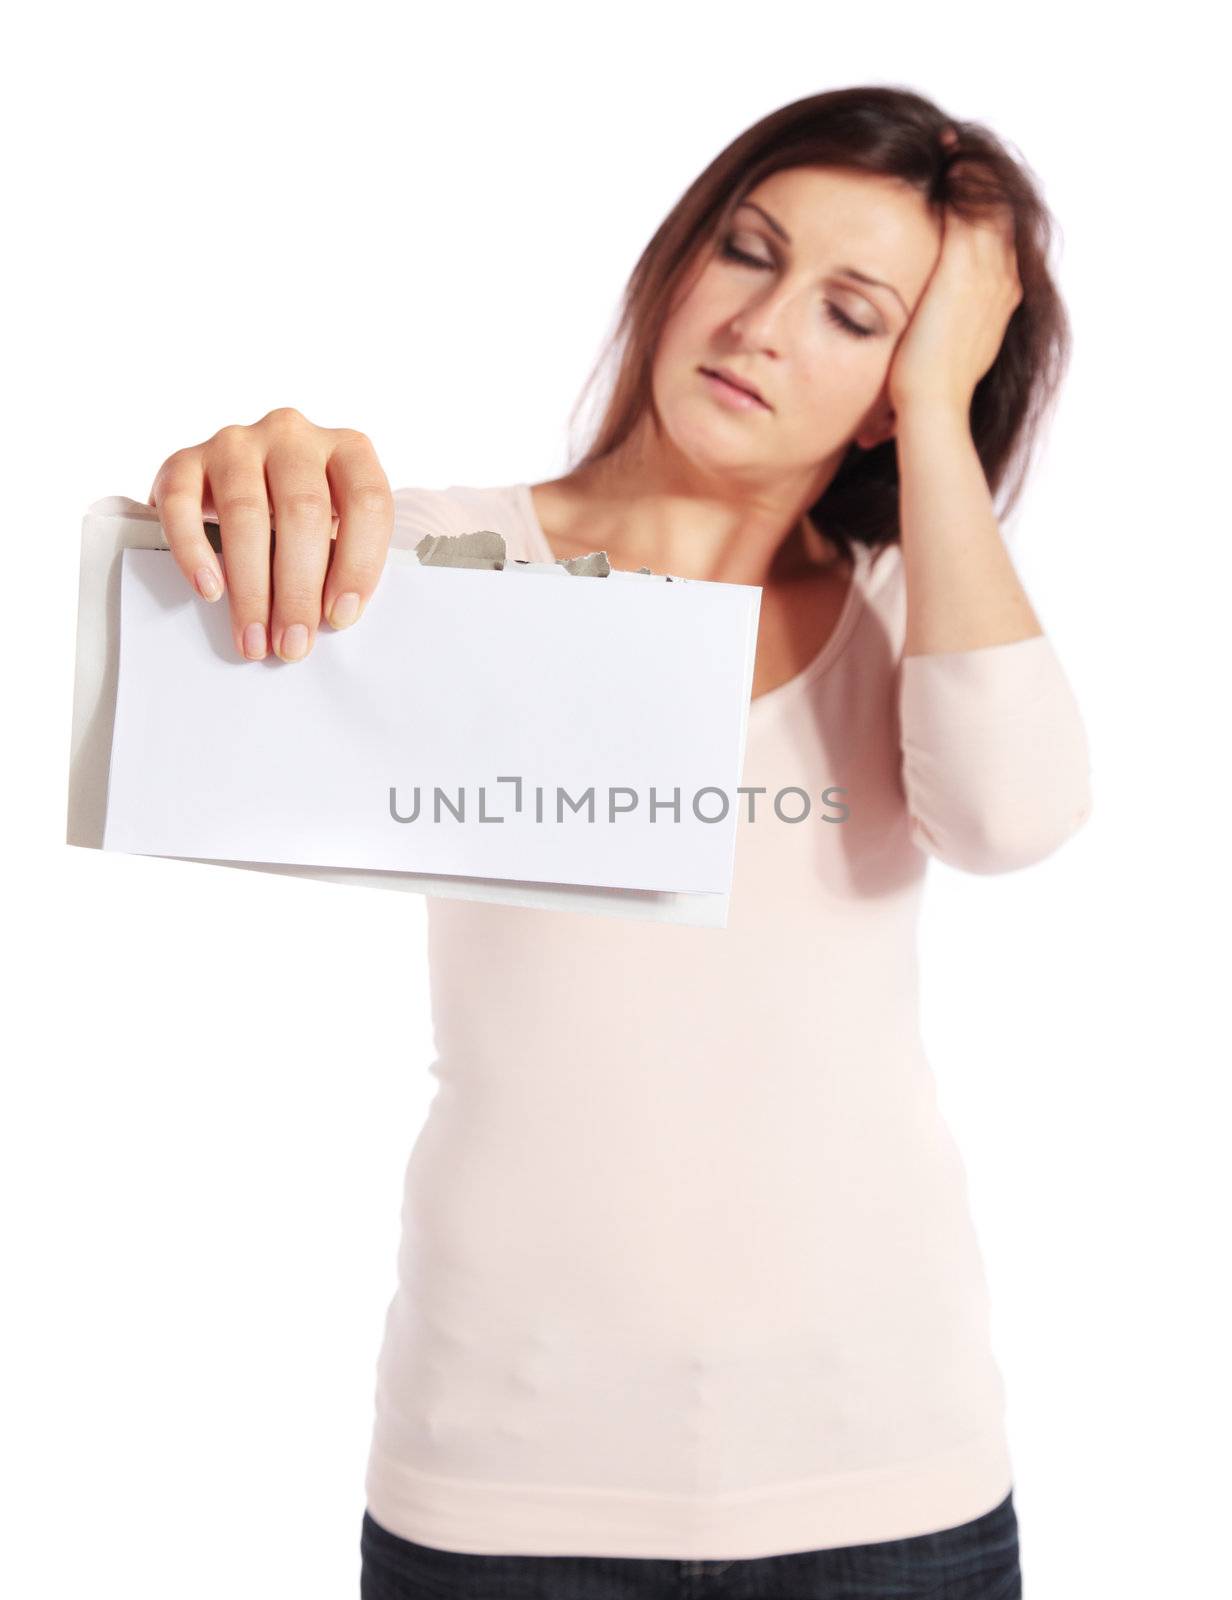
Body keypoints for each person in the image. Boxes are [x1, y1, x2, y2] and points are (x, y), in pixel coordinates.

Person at [148, 86, 1091, 1598]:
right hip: (504, 1491)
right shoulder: (433, 578)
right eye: (749, 251)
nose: (764, 326)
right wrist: (241, 486)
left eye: (858, 315)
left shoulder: (922, 620)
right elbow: (149, 682)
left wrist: (933, 417)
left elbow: (1013, 815)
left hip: (886, 1480)